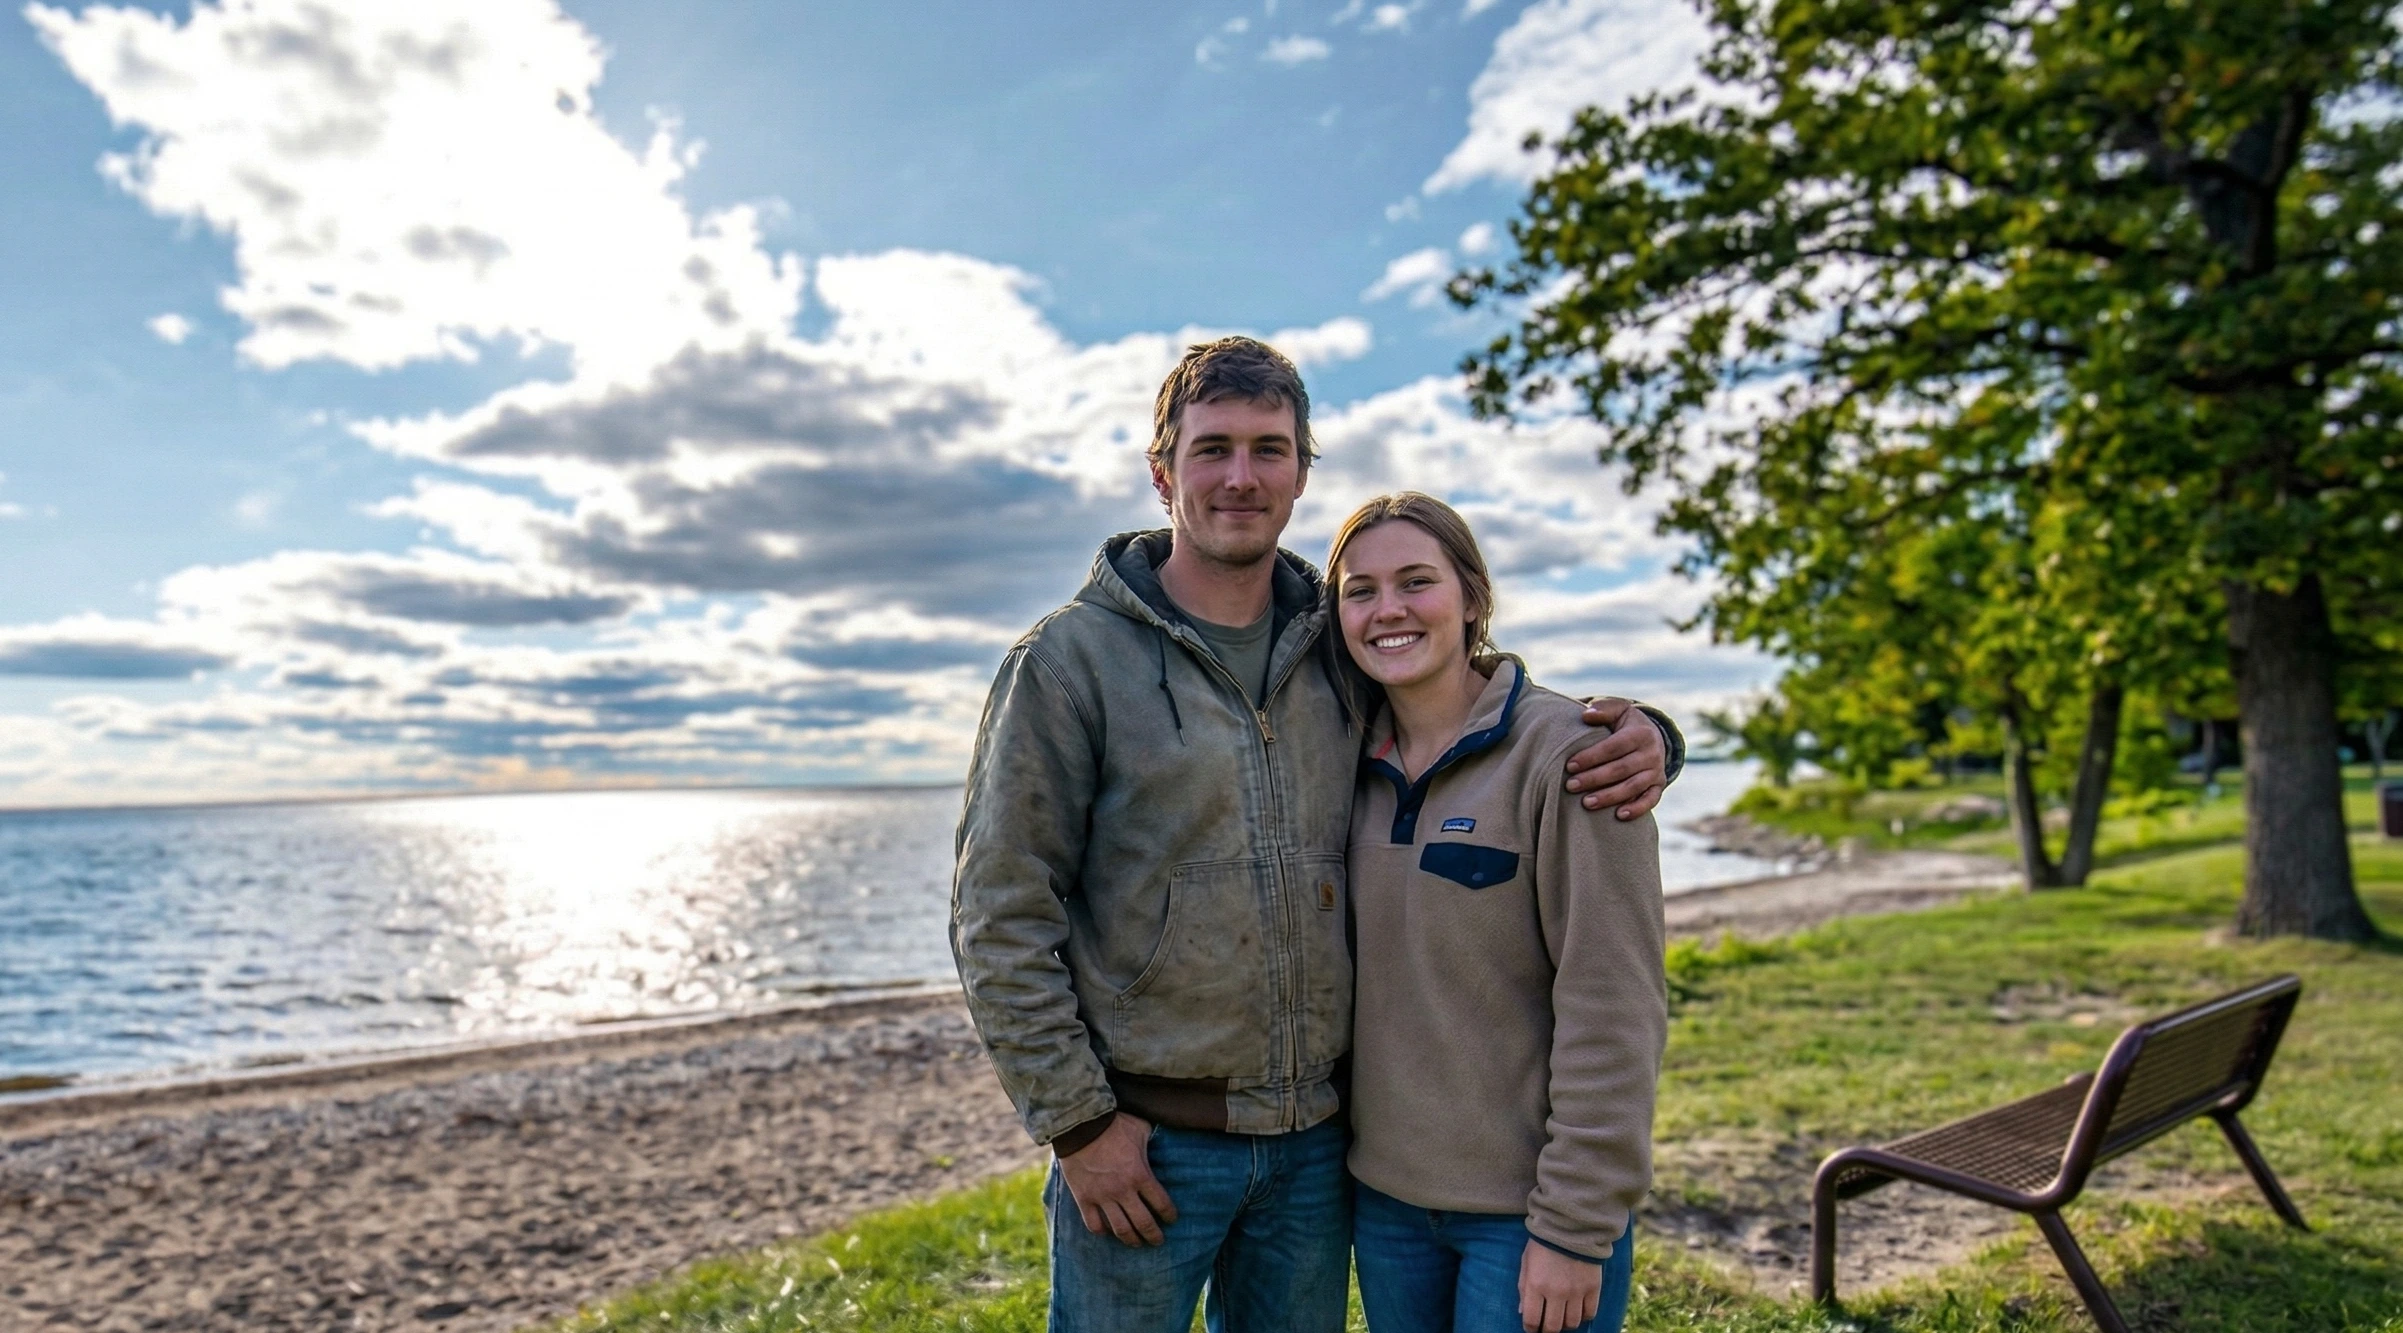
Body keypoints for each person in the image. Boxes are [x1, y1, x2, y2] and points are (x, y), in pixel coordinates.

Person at [951, 337, 1680, 1333]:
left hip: (1316, 1154)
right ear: (1163, 470)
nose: (1241, 476)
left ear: (1301, 472)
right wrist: (1078, 1122)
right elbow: (998, 908)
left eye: (1269, 448)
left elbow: (1466, 706)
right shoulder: (1070, 663)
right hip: (1148, 1147)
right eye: (1213, 449)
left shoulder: (1332, 646)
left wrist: (1644, 735)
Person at [1329, 492, 1667, 1333]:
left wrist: (1575, 1226)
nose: (1388, 610)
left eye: (1416, 580)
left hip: (1525, 1217)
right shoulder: (1337, 764)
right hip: (1386, 1205)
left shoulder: (1573, 758)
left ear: (1473, 596)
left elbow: (1614, 1005)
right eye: (1359, 591)